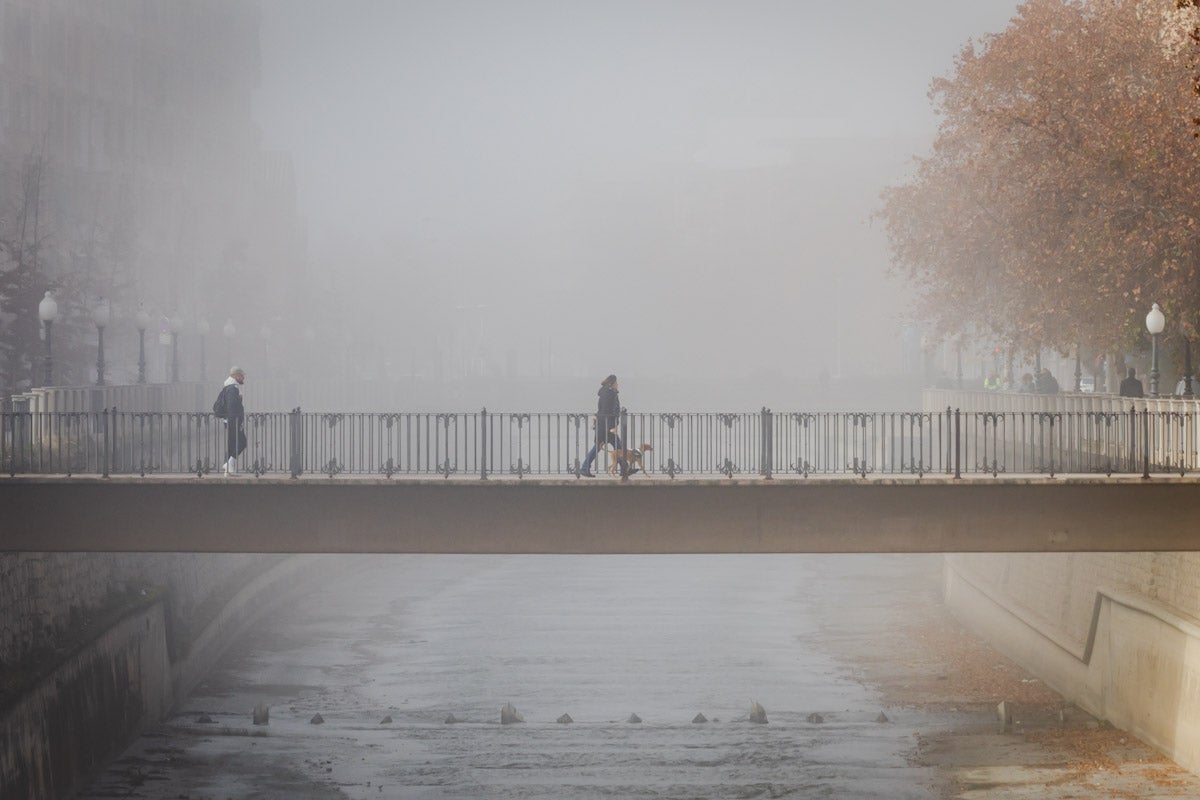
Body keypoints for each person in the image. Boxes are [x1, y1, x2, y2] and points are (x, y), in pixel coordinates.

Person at [578, 374, 621, 478]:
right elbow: (610, 411)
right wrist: (612, 426)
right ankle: (584, 468)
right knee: (615, 446)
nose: (618, 385)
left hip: (602, 424)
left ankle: (625, 468)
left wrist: (597, 416)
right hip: (607, 425)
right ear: (613, 383)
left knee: (615, 446)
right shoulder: (610, 393)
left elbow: (601, 409)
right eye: (617, 383)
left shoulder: (605, 393)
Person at [213, 366, 247, 475]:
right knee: (242, 442)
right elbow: (232, 407)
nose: (243, 378)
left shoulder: (228, 387)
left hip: (230, 420)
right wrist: (237, 421)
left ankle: (228, 470)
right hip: (234, 421)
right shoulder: (232, 389)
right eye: (242, 376)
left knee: (232, 444)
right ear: (236, 375)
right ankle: (229, 464)